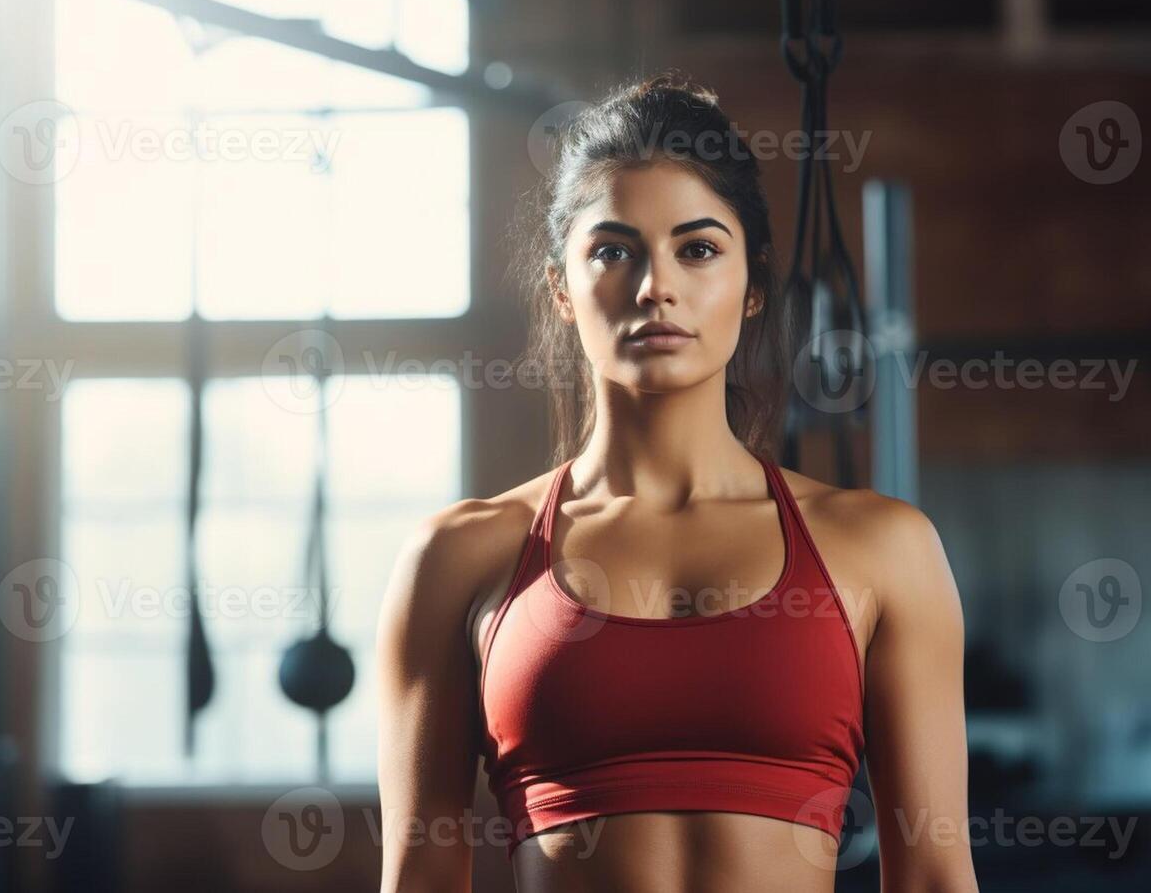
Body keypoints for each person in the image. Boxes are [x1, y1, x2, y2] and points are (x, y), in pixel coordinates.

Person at [376, 72, 978, 892]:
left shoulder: (882, 548)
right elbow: (419, 877)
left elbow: (936, 876)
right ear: (561, 288)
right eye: (613, 251)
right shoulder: (457, 558)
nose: (655, 285)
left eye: (697, 249)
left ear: (753, 284)